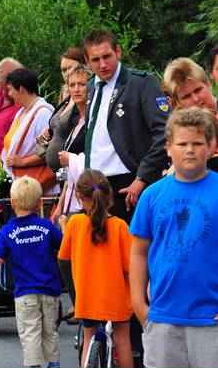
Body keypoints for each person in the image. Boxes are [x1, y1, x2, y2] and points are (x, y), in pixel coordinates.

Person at [129, 108, 218, 368]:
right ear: (168, 148)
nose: (189, 150)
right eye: (182, 144)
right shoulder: (151, 196)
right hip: (161, 319)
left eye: (197, 143)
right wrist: (139, 304)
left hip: (215, 319)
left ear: (212, 146)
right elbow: (138, 252)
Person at [82, 29, 169, 223]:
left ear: (118, 52)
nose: (103, 64)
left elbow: (164, 133)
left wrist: (142, 178)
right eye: (95, 59)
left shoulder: (141, 83)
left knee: (134, 242)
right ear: (87, 62)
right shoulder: (90, 87)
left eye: (107, 56)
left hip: (130, 183)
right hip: (97, 186)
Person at [0, 176, 63, 368]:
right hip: (50, 289)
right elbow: (62, 244)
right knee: (50, 331)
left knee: (30, 333)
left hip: (25, 292)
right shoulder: (46, 226)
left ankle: (33, 365)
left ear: (12, 203)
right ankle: (53, 364)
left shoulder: (8, 231)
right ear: (38, 203)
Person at [57, 169, 134, 368]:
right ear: (109, 195)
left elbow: (63, 259)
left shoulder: (75, 223)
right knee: (122, 339)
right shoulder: (120, 227)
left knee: (88, 337)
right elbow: (130, 268)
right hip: (117, 299)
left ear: (79, 196)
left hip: (87, 298)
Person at [1, 68, 55, 188]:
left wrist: (23, 162)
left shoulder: (43, 113)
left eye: (10, 89)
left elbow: (48, 150)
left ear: (21, 89)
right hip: (20, 181)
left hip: (35, 183)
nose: (9, 94)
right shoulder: (22, 112)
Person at [53, 65, 90, 218]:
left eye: (82, 84)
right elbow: (70, 173)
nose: (76, 89)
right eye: (72, 85)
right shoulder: (74, 121)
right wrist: (60, 206)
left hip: (88, 198)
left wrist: (70, 159)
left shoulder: (94, 121)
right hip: (70, 194)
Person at [42, 47, 85, 172]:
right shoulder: (67, 98)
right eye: (63, 70)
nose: (66, 73)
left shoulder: (83, 98)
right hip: (60, 172)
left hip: (76, 168)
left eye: (70, 68)